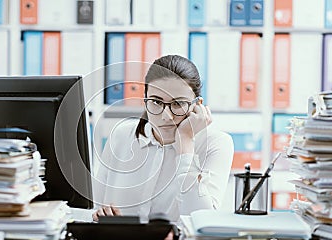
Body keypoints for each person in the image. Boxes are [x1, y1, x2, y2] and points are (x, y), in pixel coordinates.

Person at [92, 55, 234, 222]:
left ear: (198, 105)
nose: (166, 116)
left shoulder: (217, 144)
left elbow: (202, 220)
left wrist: (186, 144)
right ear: (145, 100)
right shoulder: (121, 135)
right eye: (156, 102)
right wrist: (101, 215)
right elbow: (94, 207)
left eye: (178, 104)